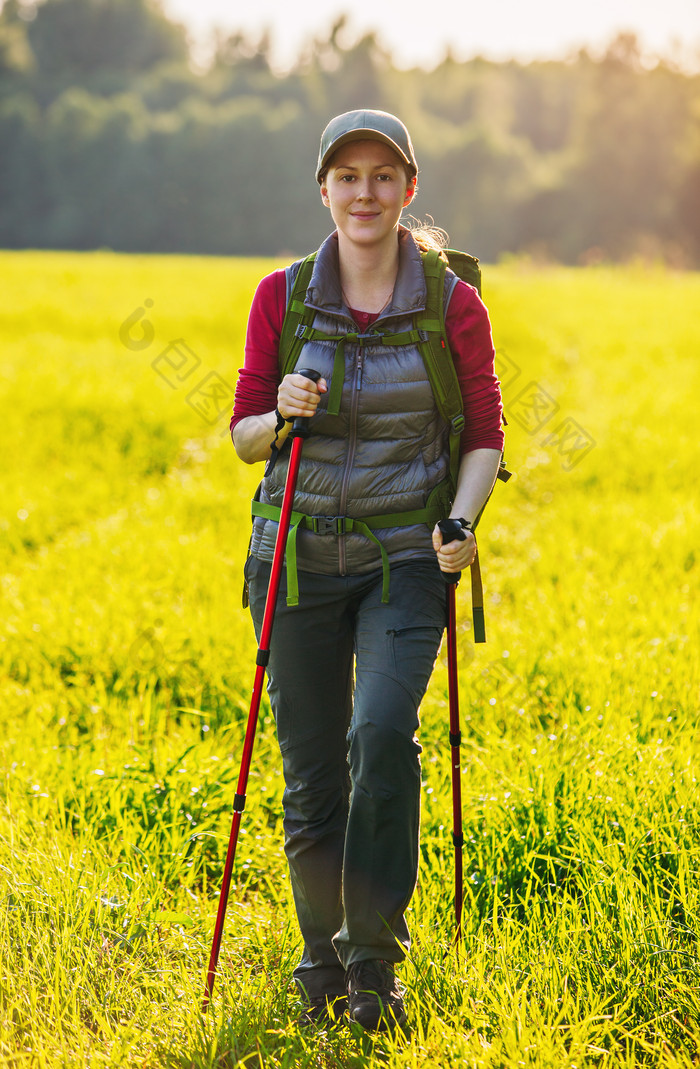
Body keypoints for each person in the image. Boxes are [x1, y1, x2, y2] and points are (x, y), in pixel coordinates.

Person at [230, 109, 504, 1031]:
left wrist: (461, 522)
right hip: (296, 557)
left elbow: (485, 434)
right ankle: (319, 954)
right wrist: (281, 410)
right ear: (324, 190)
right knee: (311, 773)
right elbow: (241, 438)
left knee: (380, 738)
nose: (365, 193)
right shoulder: (285, 296)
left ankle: (374, 966)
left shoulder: (450, 303)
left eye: (383, 176)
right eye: (347, 176)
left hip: (403, 556)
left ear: (409, 189)